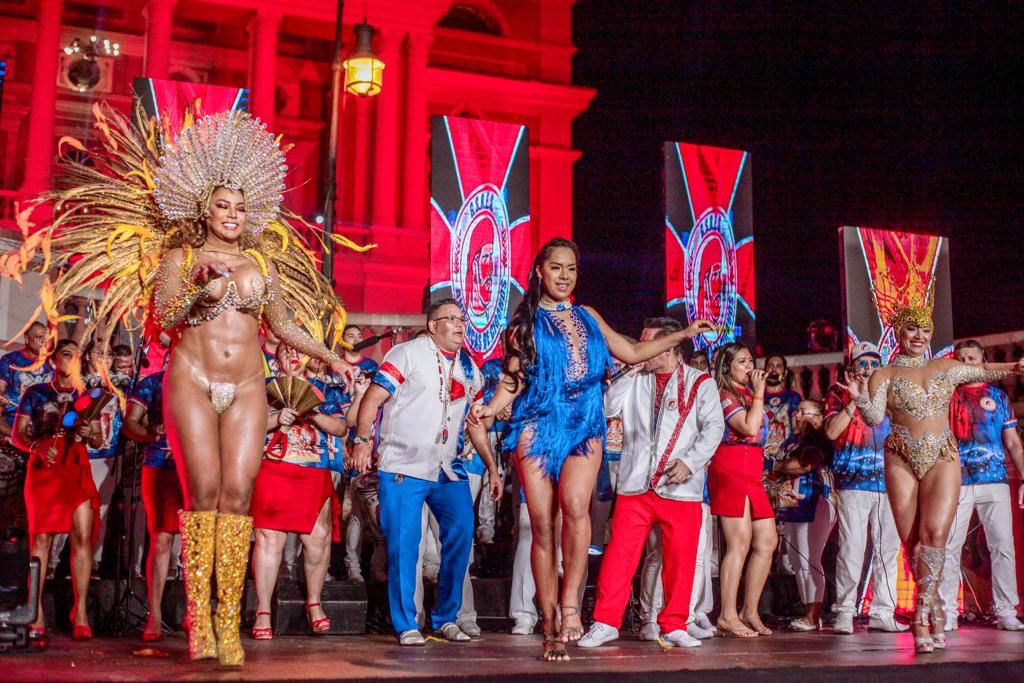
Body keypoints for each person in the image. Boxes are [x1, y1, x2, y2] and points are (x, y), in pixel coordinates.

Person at [3, 106, 364, 667]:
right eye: (223, 205)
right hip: (193, 381)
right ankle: (199, 620)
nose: (232, 215)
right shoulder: (181, 257)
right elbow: (164, 319)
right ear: (204, 209)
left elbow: (284, 326)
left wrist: (331, 357)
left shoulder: (261, 266)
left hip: (247, 384)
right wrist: (201, 291)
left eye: (240, 207)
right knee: (203, 494)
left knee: (237, 496)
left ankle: (227, 620)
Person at [469, 238, 712, 661]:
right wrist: (490, 408)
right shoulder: (523, 325)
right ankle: (549, 623)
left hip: (584, 422)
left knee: (576, 508)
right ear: (540, 271)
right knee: (542, 524)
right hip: (538, 421)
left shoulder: (588, 316)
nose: (564, 276)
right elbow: (514, 379)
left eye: (572, 268)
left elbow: (632, 351)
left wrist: (685, 333)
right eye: (556, 268)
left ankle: (569, 606)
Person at [855, 301, 1024, 653]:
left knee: (935, 536)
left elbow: (984, 371)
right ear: (899, 332)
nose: (919, 336)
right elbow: (873, 419)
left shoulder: (945, 368)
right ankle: (932, 606)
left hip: (942, 456)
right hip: (900, 457)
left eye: (925, 329)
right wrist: (860, 400)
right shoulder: (884, 375)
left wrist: (1014, 366)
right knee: (913, 545)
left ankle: (921, 615)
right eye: (912, 328)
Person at [350, 298, 501, 646]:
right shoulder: (407, 354)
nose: (460, 324)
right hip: (404, 464)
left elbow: (475, 423)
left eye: (462, 319)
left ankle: (446, 617)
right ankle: (406, 624)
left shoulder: (470, 368)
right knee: (404, 545)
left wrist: (492, 467)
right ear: (433, 326)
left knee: (461, 536)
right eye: (452, 319)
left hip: (448, 468)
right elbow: (373, 398)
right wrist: (362, 441)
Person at [578, 317, 723, 649]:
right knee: (619, 556)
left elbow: (714, 428)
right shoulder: (635, 378)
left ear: (668, 347)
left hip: (680, 486)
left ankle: (674, 624)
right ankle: (605, 622)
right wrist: (630, 370)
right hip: (636, 484)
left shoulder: (700, 382)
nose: (640, 349)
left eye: (648, 344)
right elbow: (608, 408)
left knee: (681, 560)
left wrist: (690, 462)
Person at [250, 344, 348, 640]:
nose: (293, 356)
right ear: (276, 359)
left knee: (317, 539)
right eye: (286, 352)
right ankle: (263, 610)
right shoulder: (262, 388)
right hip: (273, 469)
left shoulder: (322, 389)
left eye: (298, 351)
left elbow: (341, 428)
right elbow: (244, 427)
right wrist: (275, 419)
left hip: (312, 471)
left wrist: (313, 414)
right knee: (269, 540)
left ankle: (314, 603)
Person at [11, 339, 103, 647]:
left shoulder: (87, 395)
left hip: (76, 468)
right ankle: (35, 611)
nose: (73, 360)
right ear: (53, 361)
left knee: (82, 538)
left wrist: (90, 434)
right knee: (41, 541)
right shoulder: (36, 393)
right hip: (45, 471)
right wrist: (36, 447)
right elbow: (18, 435)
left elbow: (98, 439)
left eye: (77, 355)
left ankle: (80, 612)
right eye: (66, 354)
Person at [941, 340, 1024, 632]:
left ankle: (1006, 611)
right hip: (957, 481)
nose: (966, 363)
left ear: (983, 360)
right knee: (950, 545)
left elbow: (1013, 442)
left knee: (1002, 545)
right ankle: (947, 611)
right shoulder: (948, 395)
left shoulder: (998, 397)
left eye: (972, 358)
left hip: (995, 480)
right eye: (961, 359)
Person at [824, 341, 905, 635]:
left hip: (889, 483)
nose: (868, 369)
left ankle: (883, 612)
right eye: (863, 363)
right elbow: (831, 431)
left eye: (873, 364)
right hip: (854, 483)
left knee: (887, 550)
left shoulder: (889, 395)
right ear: (852, 367)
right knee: (851, 549)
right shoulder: (838, 393)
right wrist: (854, 399)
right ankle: (845, 611)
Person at [708, 342, 776, 638]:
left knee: (767, 541)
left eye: (750, 361)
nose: (750, 367)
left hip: (753, 468)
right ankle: (727, 614)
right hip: (732, 466)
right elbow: (747, 427)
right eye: (742, 362)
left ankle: (750, 610)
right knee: (739, 542)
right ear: (727, 368)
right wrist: (760, 394)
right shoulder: (724, 395)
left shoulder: (749, 393)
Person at [124, 367, 183, 642]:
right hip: (159, 464)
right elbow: (130, 423)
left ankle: (195, 614)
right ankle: (155, 615)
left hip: (197, 467)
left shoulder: (208, 379)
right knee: (161, 540)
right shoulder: (154, 382)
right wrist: (151, 433)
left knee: (198, 540)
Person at [772, 399, 836, 630]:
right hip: (792, 505)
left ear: (819, 417)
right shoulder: (792, 440)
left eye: (803, 411)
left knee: (810, 558)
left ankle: (813, 613)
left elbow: (804, 464)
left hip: (814, 502)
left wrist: (775, 466)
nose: (797, 415)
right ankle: (808, 611)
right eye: (797, 411)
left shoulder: (820, 439)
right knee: (797, 560)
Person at [762, 354, 802, 465]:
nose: (774, 369)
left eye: (778, 366)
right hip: (762, 458)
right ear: (765, 371)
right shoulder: (756, 397)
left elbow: (798, 429)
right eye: (770, 366)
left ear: (785, 373)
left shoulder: (793, 397)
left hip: (786, 458)